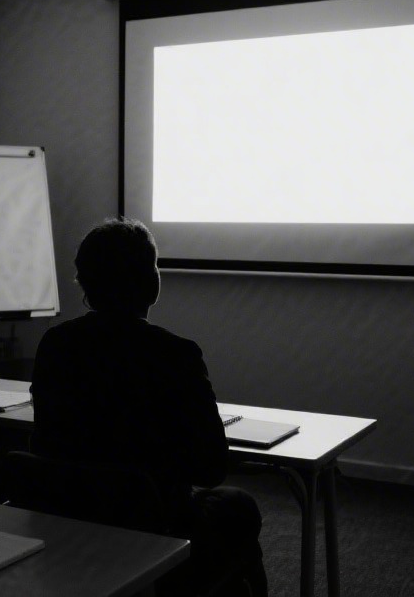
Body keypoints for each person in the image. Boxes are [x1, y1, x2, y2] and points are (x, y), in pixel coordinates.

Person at [31, 218, 268, 597]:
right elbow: (211, 468)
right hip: (155, 524)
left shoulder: (55, 344)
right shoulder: (176, 355)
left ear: (85, 282)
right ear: (151, 282)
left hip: (71, 516)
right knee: (240, 509)